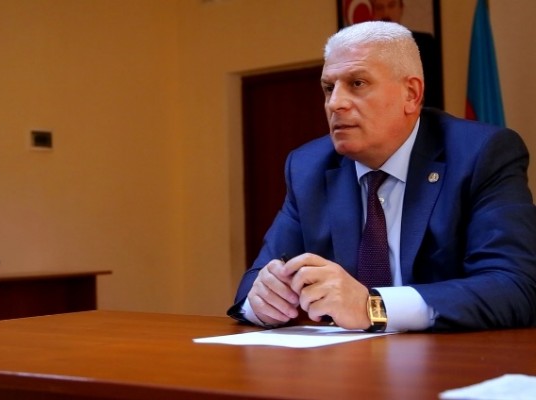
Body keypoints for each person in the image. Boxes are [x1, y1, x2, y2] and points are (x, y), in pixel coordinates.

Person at [228, 21, 536, 332]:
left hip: (453, 357)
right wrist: (265, 298)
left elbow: (514, 286)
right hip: (345, 359)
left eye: (357, 83)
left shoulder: (480, 155)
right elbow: (253, 285)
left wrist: (372, 306)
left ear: (411, 94)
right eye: (329, 88)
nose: (335, 103)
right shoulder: (309, 167)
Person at [369, 0, 444, 109]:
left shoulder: (425, 45)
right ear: (373, 12)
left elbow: (434, 94)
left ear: (401, 8)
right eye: (379, 8)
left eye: (391, 6)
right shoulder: (365, 51)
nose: (386, 13)